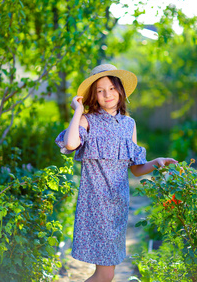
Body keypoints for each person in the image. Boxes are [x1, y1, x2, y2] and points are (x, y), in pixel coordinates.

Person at [55, 64, 177, 282]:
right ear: (93, 95)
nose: (107, 94)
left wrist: (155, 162)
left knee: (104, 274)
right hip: (96, 205)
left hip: (118, 205)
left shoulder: (129, 124)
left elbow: (136, 169)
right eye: (100, 90)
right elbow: (71, 143)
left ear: (120, 90)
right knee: (105, 274)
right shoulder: (87, 120)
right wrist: (77, 111)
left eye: (111, 88)